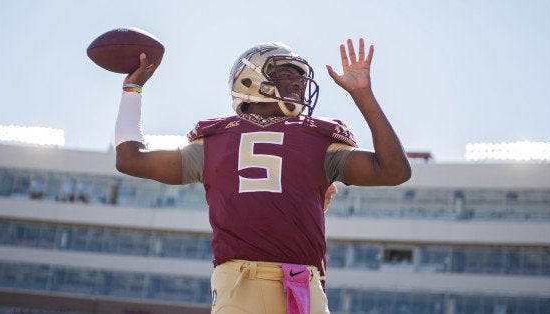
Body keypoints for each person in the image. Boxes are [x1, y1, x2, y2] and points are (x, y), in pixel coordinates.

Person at [113, 38, 411, 314]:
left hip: (302, 285)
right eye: (285, 73)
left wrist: (362, 94)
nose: (298, 81)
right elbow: (130, 161)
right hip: (245, 281)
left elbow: (395, 171)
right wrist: (133, 87)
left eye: (299, 75)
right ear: (250, 78)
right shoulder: (215, 142)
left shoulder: (314, 138)